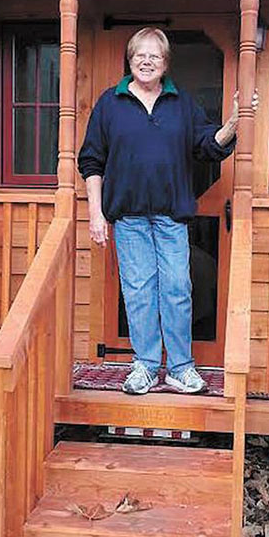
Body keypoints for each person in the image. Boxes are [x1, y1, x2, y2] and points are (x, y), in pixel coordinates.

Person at [77, 27, 246, 395]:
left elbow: (207, 146)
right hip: (128, 218)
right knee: (138, 291)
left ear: (166, 63)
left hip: (171, 217)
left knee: (177, 288)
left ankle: (181, 368)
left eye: (154, 55)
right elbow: (91, 161)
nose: (146, 61)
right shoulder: (111, 103)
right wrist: (95, 212)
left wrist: (232, 124)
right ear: (130, 59)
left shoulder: (181, 104)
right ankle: (146, 365)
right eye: (140, 54)